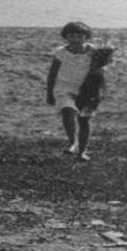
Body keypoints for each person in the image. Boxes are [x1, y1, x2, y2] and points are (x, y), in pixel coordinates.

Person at [46, 21, 97, 161]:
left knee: (84, 119)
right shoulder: (61, 52)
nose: (75, 39)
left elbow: (99, 71)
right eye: (71, 36)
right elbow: (52, 73)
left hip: (86, 89)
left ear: (86, 37)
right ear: (66, 37)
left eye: (80, 36)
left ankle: (82, 151)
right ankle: (72, 142)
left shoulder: (93, 52)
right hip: (65, 87)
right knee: (67, 111)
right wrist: (49, 93)